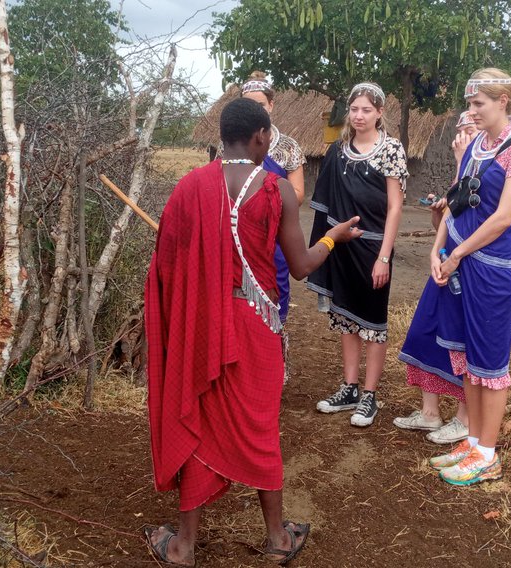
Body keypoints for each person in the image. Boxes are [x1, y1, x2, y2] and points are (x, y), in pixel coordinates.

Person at [144, 97, 361, 566]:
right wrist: (333, 237)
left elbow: (165, 267)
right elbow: (301, 267)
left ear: (223, 136)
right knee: (262, 430)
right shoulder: (276, 190)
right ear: (262, 137)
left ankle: (183, 545)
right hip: (256, 326)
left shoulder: (189, 188)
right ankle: (277, 538)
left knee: (197, 420)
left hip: (201, 326)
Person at [422, 68, 511, 485]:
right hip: (460, 261)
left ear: (503, 102)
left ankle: (488, 453)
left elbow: (503, 217)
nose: (471, 111)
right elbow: (456, 200)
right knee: (469, 358)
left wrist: (454, 254)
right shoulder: (476, 145)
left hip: (490, 269)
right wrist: (439, 250)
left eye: (478, 104)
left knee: (490, 360)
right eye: (470, 103)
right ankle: (473, 442)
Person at [308, 82, 407, 428]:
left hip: (374, 247)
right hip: (343, 245)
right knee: (345, 319)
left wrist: (384, 256)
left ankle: (369, 395)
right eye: (354, 109)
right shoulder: (338, 151)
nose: (360, 115)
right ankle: (349, 387)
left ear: (380, 113)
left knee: (374, 323)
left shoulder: (391, 149)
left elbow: (395, 207)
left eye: (367, 109)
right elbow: (325, 204)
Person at [392, 110, 481, 445]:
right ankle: (430, 413)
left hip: (472, 270)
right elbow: (447, 226)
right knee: (425, 331)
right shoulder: (464, 172)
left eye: (470, 130)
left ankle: (465, 417)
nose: (462, 137)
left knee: (461, 342)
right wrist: (436, 218)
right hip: (445, 266)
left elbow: (475, 220)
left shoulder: (485, 173)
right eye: (460, 131)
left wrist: (462, 164)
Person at [240, 71, 308, 383]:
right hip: (240, 232)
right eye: (248, 104)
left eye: (260, 104)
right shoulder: (232, 142)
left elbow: (298, 194)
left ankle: (273, 360)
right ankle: (243, 360)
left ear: (271, 105)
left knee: (275, 290)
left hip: (276, 233)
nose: (255, 110)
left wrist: (264, 196)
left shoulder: (287, 147)